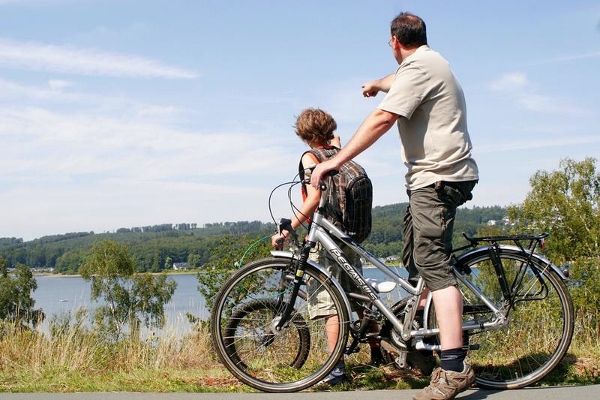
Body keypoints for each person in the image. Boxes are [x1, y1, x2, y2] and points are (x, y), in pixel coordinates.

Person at [310, 12, 479, 400]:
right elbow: (395, 82)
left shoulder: (419, 68)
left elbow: (383, 119)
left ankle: (453, 368)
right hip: (428, 179)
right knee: (416, 263)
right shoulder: (425, 64)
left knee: (432, 263)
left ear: (394, 42)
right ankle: (423, 345)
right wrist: (377, 83)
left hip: (439, 179)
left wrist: (334, 160)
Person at [271, 107, 379, 386]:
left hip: (327, 236)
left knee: (328, 302)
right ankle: (378, 352)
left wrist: (288, 228)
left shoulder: (311, 157)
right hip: (350, 235)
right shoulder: (340, 153)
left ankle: (335, 368)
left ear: (304, 135)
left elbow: (313, 199)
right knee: (358, 296)